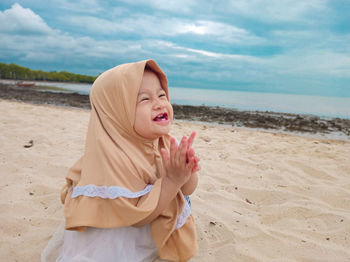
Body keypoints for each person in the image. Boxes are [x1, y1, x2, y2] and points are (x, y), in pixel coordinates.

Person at [41, 59, 200, 262]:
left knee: (181, 198)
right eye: (144, 99)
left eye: (162, 95)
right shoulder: (111, 158)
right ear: (117, 113)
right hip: (121, 230)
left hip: (151, 208)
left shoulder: (166, 143)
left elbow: (187, 190)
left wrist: (186, 172)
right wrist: (172, 181)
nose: (160, 103)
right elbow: (139, 217)